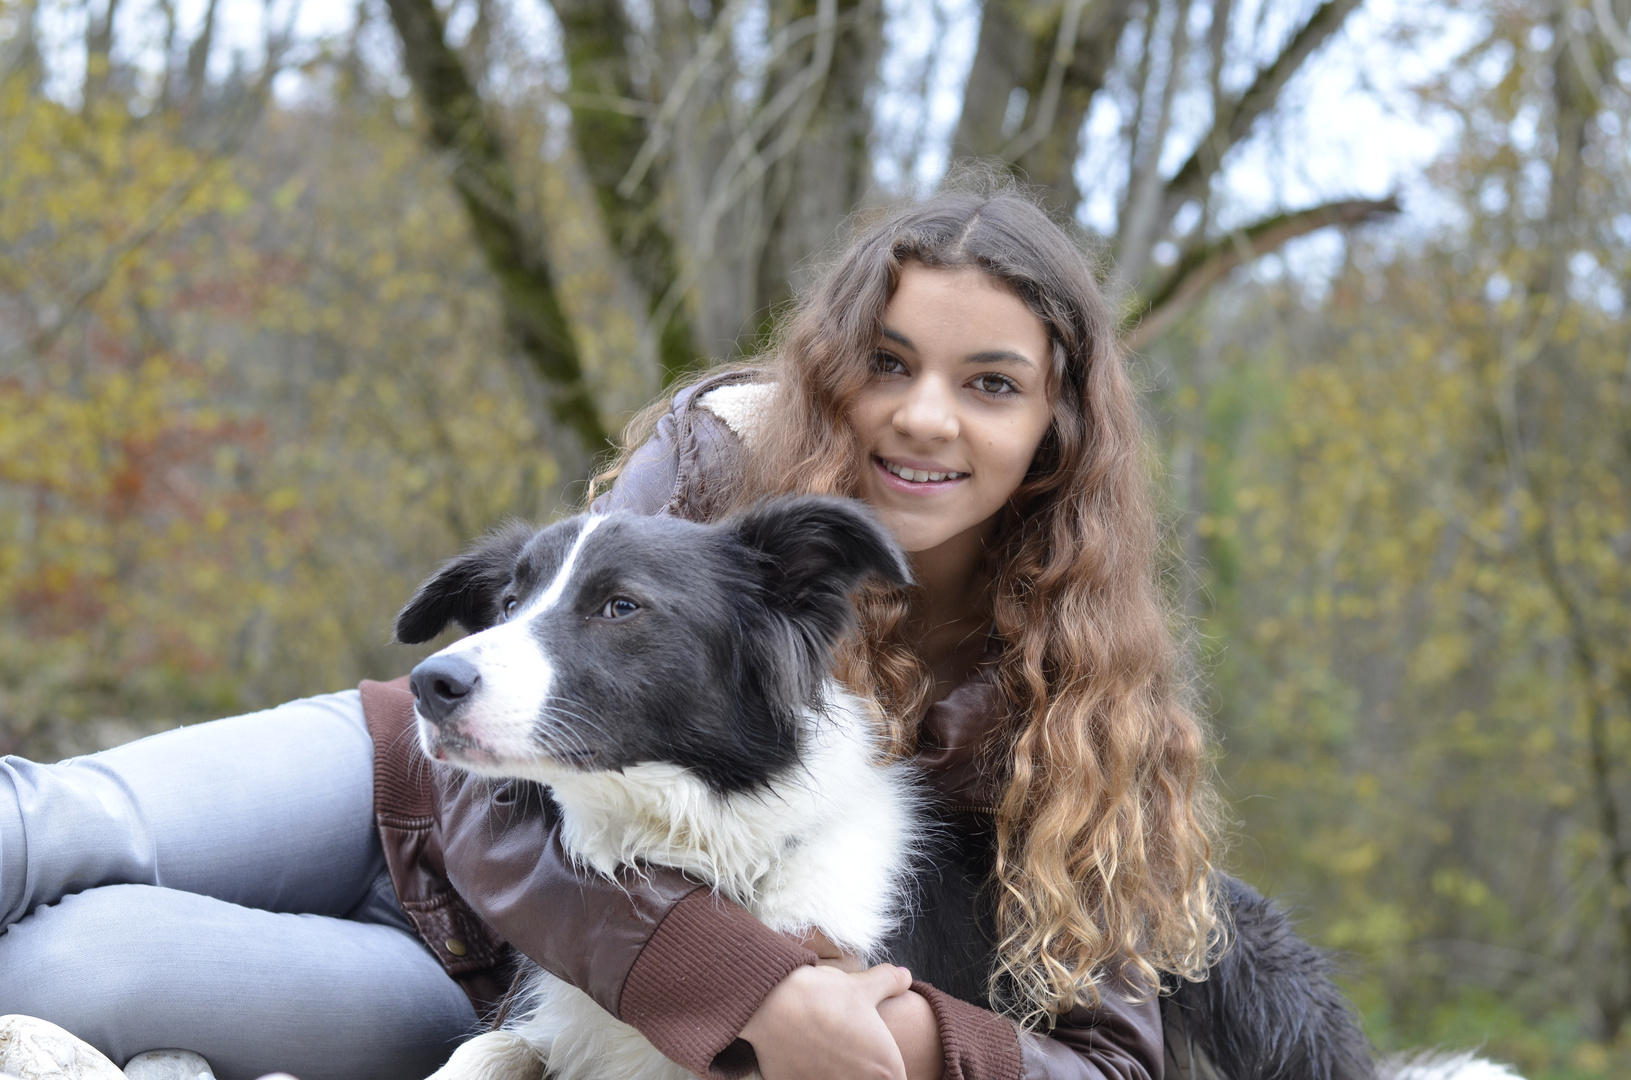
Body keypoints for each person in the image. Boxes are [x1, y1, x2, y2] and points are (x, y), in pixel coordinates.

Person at [0, 184, 1220, 1080]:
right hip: (411, 780)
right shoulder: (721, 453)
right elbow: (497, 780)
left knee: (61, 970)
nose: (922, 417)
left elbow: (1105, 1063)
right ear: (835, 364)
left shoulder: (1076, 702)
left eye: (990, 383)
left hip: (507, 990)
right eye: (887, 362)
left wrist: (883, 1033)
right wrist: (747, 983)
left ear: (1058, 425)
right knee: (52, 823)